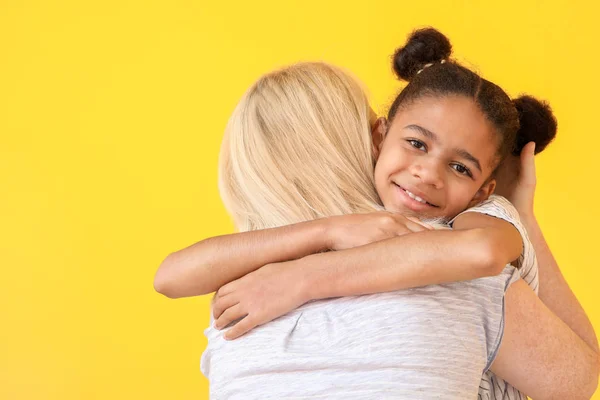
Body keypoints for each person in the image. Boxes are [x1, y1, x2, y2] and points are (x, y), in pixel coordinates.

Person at [155, 30, 599, 399]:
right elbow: (579, 380)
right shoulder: (458, 277)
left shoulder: (236, 304)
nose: (427, 173)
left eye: (460, 166)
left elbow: (169, 278)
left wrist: (304, 272)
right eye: (416, 142)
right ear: (378, 137)